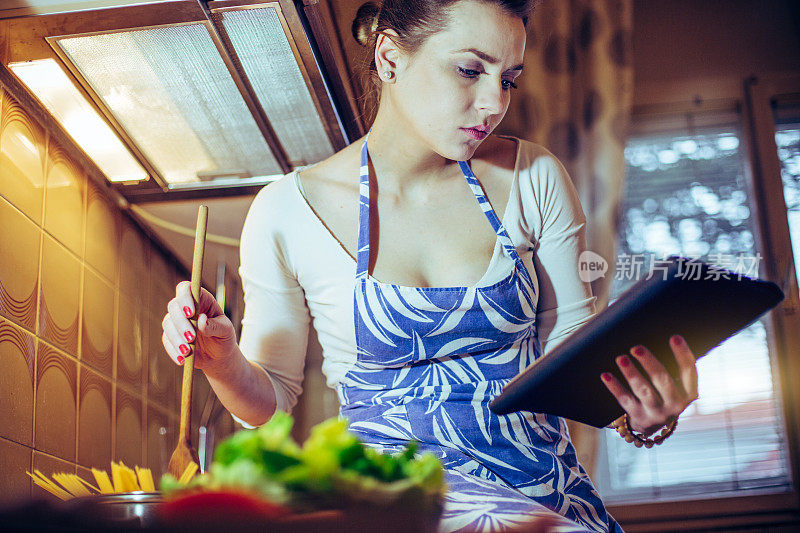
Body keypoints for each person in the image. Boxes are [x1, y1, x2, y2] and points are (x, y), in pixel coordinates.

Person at [161, 0, 699, 531]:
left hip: (546, 505)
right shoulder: (286, 211)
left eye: (508, 79)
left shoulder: (534, 177)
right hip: (391, 513)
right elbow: (271, 405)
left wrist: (642, 411)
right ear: (390, 58)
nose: (493, 102)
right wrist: (222, 360)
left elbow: (579, 359)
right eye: (470, 70)